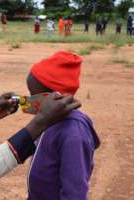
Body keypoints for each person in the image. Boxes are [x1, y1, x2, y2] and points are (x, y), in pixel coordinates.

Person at [27, 51, 100, 200]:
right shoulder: (49, 119)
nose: (29, 99)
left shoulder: (74, 133)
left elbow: (75, 191)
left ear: (57, 98)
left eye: (33, 95)